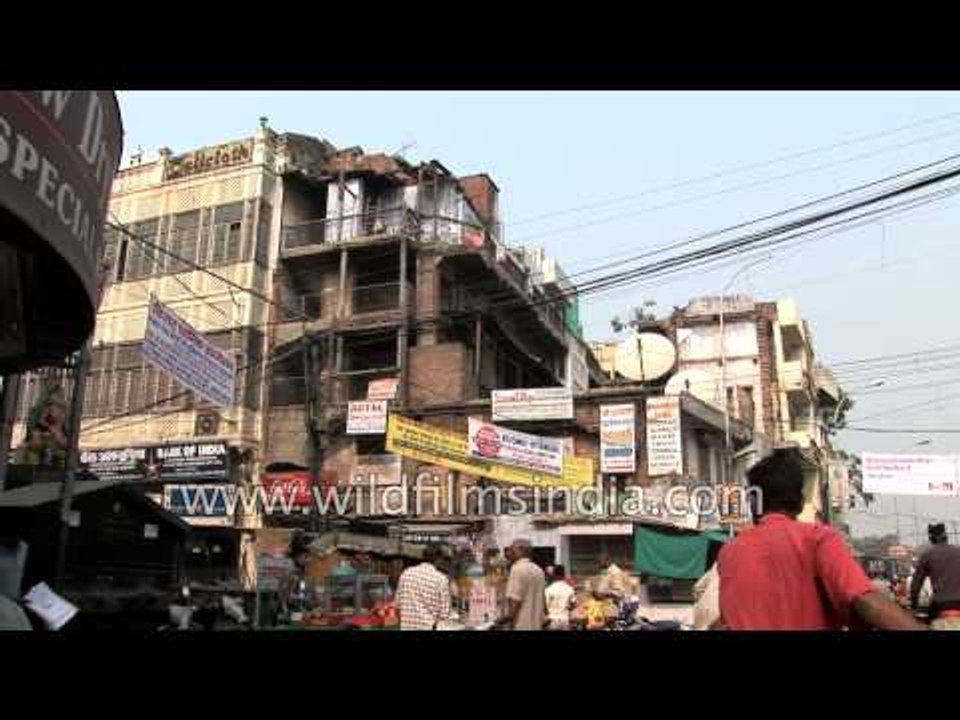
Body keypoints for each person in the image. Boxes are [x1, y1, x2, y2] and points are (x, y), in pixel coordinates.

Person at [717, 448, 924, 631]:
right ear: (799, 503)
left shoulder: (729, 552)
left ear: (753, 501)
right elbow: (864, 600)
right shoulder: (817, 538)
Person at [911, 523, 960, 630]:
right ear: (946, 536)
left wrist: (913, 605)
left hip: (940, 605)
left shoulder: (927, 556)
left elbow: (916, 585)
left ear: (931, 538)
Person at [396, 543, 451, 631]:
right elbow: (444, 614)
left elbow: (398, 605)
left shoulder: (406, 573)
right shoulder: (441, 579)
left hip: (406, 627)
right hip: (428, 627)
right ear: (438, 559)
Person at [496, 539, 545, 631]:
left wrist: (501, 620)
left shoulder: (517, 569)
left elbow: (514, 601)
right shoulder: (539, 570)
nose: (508, 553)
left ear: (520, 550)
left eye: (511, 550)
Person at [544, 564, 576, 630]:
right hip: (565, 620)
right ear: (564, 575)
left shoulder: (549, 589)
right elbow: (573, 604)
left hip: (552, 620)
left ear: (554, 575)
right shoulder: (569, 589)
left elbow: (545, 606)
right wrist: (567, 608)